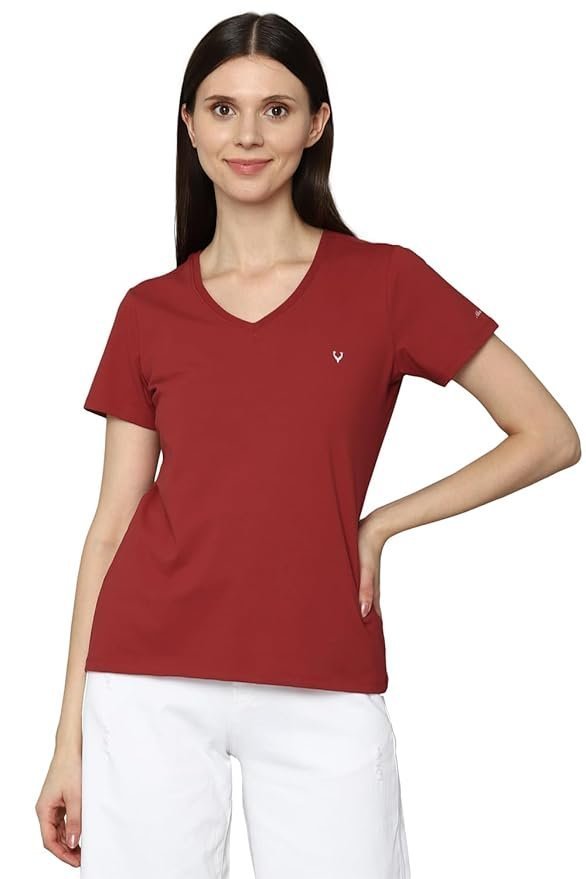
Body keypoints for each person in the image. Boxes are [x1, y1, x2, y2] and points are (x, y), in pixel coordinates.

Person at [35, 11, 581, 879]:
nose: (248, 134)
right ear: (189, 125)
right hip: (146, 677)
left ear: (317, 123)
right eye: (223, 109)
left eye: (277, 110)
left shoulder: (387, 282)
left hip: (324, 668)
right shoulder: (148, 310)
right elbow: (111, 527)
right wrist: (67, 738)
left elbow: (549, 434)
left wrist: (382, 523)